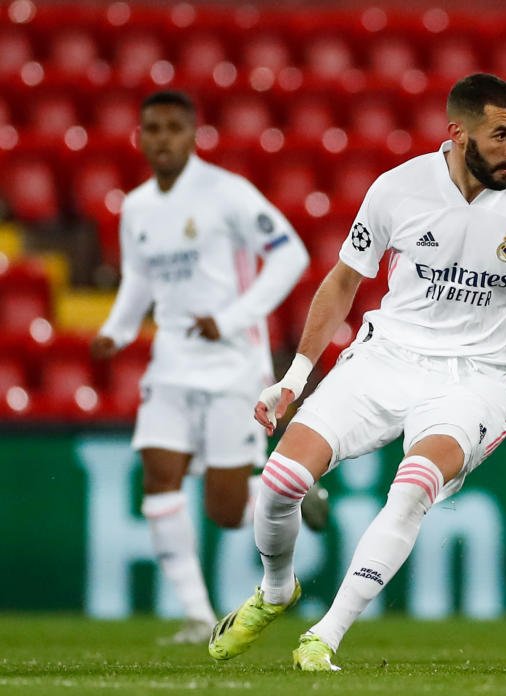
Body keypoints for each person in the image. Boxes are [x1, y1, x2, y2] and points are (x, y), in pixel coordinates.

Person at [208, 73, 506, 671]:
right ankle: (275, 592)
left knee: (414, 484)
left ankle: (325, 636)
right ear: (458, 132)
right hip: (385, 358)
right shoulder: (397, 189)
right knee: (282, 481)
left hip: (472, 379)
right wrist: (295, 376)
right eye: (501, 135)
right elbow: (345, 279)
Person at [91, 90, 326, 644]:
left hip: (232, 365)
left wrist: (232, 317)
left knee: (224, 509)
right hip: (171, 362)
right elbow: (139, 282)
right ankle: (198, 615)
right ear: (141, 137)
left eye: (173, 127)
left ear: (192, 134)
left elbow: (290, 253)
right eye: (152, 128)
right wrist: (116, 331)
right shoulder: (137, 207)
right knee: (158, 475)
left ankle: (297, 494)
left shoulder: (227, 193)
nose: (162, 138)